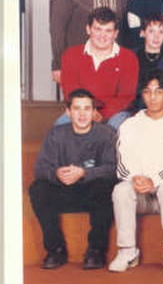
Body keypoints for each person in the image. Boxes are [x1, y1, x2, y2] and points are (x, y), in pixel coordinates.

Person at [109, 69, 163, 273]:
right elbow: (122, 162)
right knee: (121, 189)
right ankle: (127, 251)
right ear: (142, 94)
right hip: (139, 193)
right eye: (148, 92)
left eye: (159, 92)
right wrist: (135, 178)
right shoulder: (129, 125)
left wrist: (154, 180)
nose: (153, 97)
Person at [28, 89, 117, 270]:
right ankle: (56, 250)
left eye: (87, 109)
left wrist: (84, 173)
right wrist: (56, 174)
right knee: (38, 188)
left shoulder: (106, 133)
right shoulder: (56, 133)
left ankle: (96, 251)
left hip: (93, 194)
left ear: (94, 112)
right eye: (76, 108)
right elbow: (40, 169)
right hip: (64, 192)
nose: (82, 114)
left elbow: (113, 169)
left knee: (106, 186)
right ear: (68, 112)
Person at [59, 6, 138, 130]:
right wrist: (88, 111)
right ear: (88, 29)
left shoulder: (128, 58)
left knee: (111, 130)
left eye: (108, 31)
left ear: (115, 34)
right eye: (98, 29)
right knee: (60, 128)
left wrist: (102, 114)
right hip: (81, 109)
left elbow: (126, 97)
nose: (102, 36)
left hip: (115, 113)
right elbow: (70, 91)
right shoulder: (70, 55)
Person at [133, 13, 163, 111]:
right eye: (151, 31)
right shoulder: (132, 55)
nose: (156, 36)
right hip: (136, 109)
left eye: (161, 32)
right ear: (142, 33)